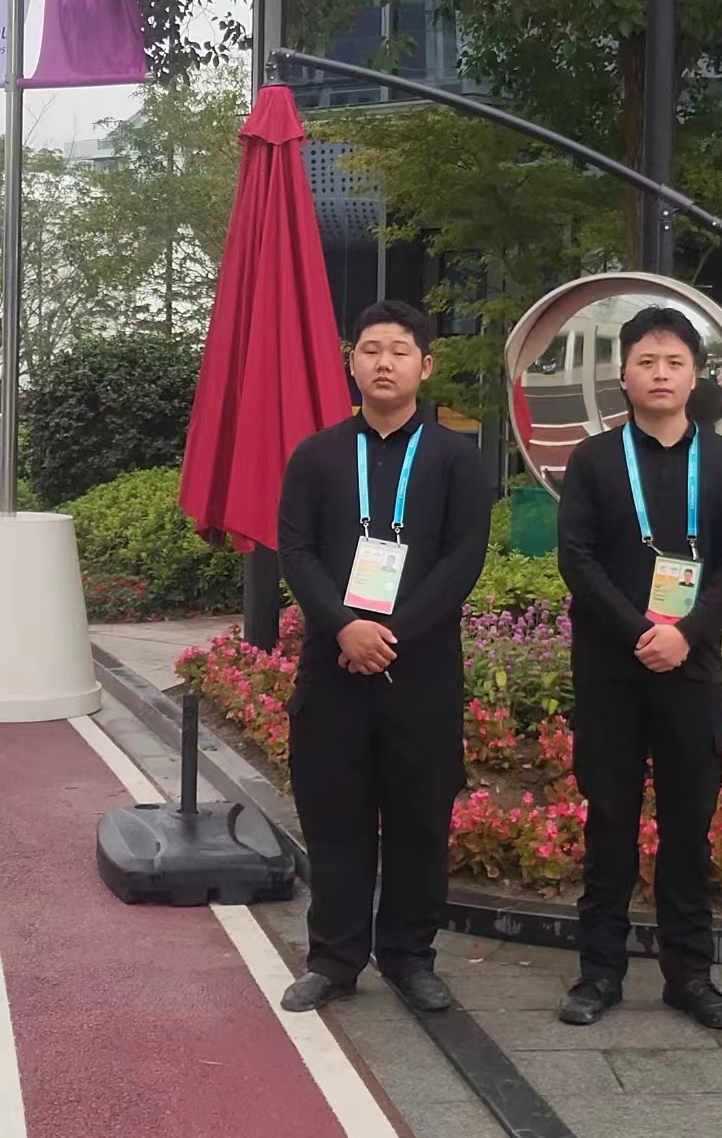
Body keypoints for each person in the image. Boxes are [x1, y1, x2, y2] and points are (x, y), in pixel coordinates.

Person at [272, 299, 492, 1015]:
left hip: (421, 671)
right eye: (371, 350)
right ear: (352, 363)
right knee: (333, 817)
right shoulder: (317, 455)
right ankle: (334, 959)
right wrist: (344, 627)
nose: (384, 363)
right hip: (333, 668)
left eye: (399, 351)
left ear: (425, 365)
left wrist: (389, 633)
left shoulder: (458, 459)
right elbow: (296, 552)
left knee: (419, 821)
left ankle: (409, 956)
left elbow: (463, 560)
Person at [554, 306, 722, 1030]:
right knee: (609, 820)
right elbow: (576, 558)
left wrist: (686, 634)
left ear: (695, 375)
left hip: (691, 670)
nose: (661, 374)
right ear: (624, 375)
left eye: (674, 362)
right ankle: (598, 974)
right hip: (611, 670)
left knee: (687, 824)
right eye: (647, 361)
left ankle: (690, 976)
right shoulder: (593, 460)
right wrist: (642, 631)